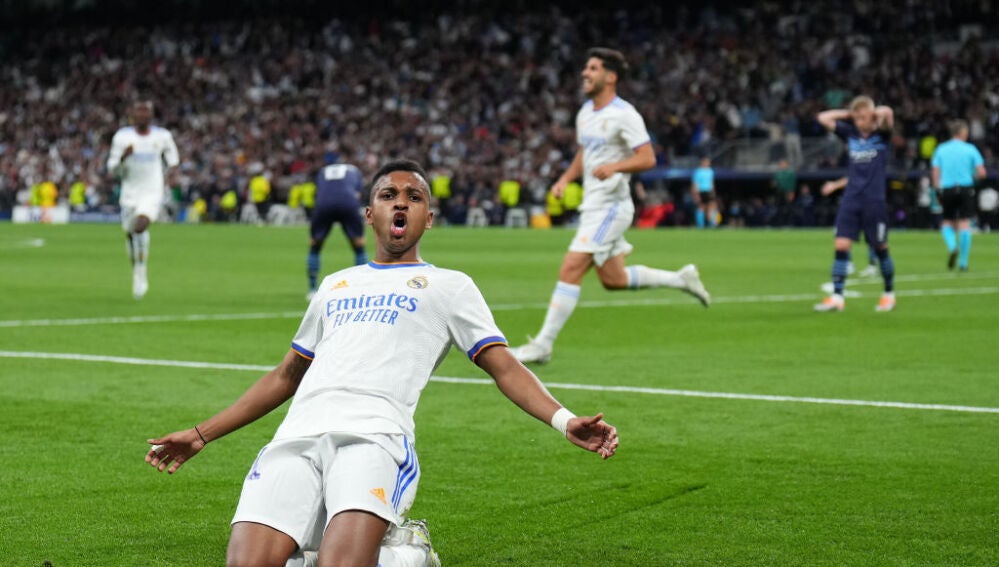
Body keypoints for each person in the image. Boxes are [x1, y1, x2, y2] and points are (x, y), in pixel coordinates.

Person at [145, 160, 619, 567]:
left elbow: (505, 367)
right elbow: (287, 375)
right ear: (369, 214)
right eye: (389, 195)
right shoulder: (335, 285)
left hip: (375, 440)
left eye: (413, 197)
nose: (401, 203)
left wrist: (564, 420)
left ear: (427, 219)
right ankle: (391, 553)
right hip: (295, 438)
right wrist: (201, 434)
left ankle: (403, 555)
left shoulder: (449, 286)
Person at [509, 47, 709, 365]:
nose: (585, 73)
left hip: (612, 207)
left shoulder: (624, 114)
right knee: (613, 280)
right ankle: (680, 279)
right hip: (593, 206)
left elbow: (648, 158)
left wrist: (616, 167)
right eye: (585, 68)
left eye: (593, 68)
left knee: (571, 266)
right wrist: (565, 179)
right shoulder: (585, 113)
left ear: (610, 76)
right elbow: (583, 154)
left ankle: (543, 344)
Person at [814, 96, 896, 313]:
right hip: (851, 198)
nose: (860, 121)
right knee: (841, 245)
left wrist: (874, 112)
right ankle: (837, 298)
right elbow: (822, 118)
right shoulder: (850, 134)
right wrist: (848, 114)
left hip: (874, 200)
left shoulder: (883, 135)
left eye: (864, 117)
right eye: (857, 118)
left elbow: (887, 112)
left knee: (880, 248)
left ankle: (888, 293)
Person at [106, 99, 180, 300]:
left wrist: (173, 174)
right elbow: (112, 170)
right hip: (130, 193)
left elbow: (173, 159)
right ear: (132, 115)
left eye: (146, 111)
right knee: (131, 233)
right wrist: (123, 157)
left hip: (152, 191)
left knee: (141, 225)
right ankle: (137, 267)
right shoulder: (122, 138)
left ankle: (141, 273)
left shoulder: (162, 136)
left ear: (151, 114)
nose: (143, 114)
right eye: (139, 110)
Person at [306, 157, 369, 301]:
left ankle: (312, 289)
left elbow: (319, 191)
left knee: (315, 245)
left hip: (324, 204)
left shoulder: (322, 171)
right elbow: (358, 194)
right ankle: (363, 287)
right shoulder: (354, 170)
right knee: (359, 245)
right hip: (348, 202)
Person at [931, 119, 986, 271]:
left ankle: (952, 246)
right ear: (963, 132)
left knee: (947, 222)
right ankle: (963, 262)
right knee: (964, 223)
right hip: (965, 188)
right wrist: (972, 176)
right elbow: (981, 172)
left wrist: (937, 190)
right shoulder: (970, 149)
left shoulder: (941, 149)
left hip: (947, 188)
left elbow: (935, 172)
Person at [820, 177, 879, 278]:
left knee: (870, 236)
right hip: (855, 204)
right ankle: (849, 263)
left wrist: (834, 185)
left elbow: (852, 179)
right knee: (844, 234)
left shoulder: (868, 170)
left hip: (866, 204)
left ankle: (871, 266)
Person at [692, 157, 717, 228]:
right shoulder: (698, 171)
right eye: (706, 162)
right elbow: (695, 183)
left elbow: (711, 182)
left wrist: (713, 191)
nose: (708, 164)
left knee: (712, 206)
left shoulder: (710, 171)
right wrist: (696, 194)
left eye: (708, 162)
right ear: (702, 163)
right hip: (701, 191)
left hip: (708, 191)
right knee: (701, 207)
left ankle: (712, 223)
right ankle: (700, 225)